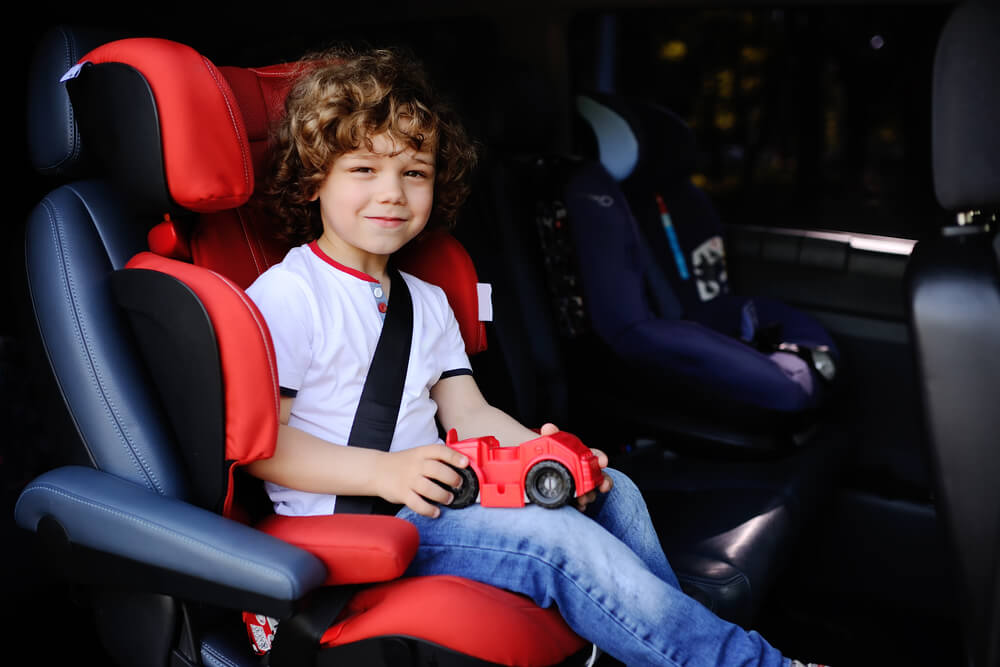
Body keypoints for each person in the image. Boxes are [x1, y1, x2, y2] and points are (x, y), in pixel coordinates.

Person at [245, 46, 824, 667]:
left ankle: (658, 642)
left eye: (414, 172)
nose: (392, 192)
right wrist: (385, 474)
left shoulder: (427, 300)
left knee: (615, 490)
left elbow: (466, 409)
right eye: (363, 169)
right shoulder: (290, 293)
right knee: (557, 539)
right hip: (360, 520)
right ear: (313, 180)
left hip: (438, 499)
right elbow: (266, 449)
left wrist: (544, 453)